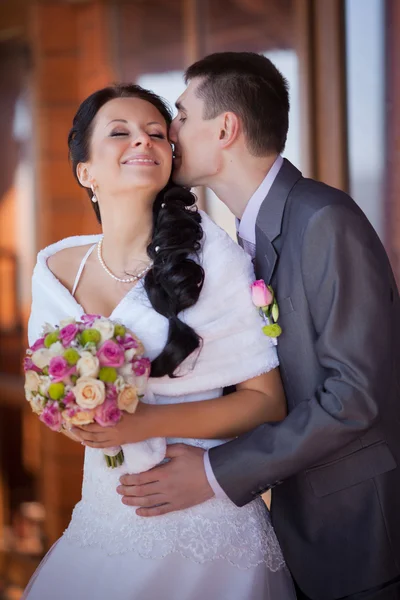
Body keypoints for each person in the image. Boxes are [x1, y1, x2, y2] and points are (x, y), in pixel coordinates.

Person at [118, 53, 400, 600]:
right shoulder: (234, 240)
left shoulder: (325, 221)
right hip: (293, 528)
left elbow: (354, 397)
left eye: (179, 115)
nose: (169, 134)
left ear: (225, 128)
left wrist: (215, 472)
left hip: (360, 533)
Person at [23, 83, 296, 600]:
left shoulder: (212, 263)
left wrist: (146, 422)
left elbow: (267, 402)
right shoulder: (55, 270)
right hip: (104, 517)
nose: (143, 142)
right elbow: (46, 384)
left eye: (155, 133)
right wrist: (79, 418)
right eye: (120, 133)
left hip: (203, 525)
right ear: (87, 172)